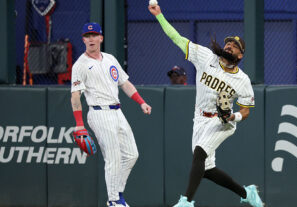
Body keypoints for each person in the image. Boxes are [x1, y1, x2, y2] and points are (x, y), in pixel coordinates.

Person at [148, 4, 263, 207]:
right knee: (207, 169)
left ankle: (186, 202)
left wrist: (232, 117)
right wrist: (159, 16)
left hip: (222, 122)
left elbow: (245, 111)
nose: (229, 46)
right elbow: (177, 38)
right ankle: (247, 193)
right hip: (200, 118)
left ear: (240, 55)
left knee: (200, 152)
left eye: (234, 46)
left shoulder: (243, 80)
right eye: (228, 44)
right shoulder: (205, 57)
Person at [70, 22, 152, 207]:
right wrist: (79, 124)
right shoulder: (80, 65)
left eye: (94, 35)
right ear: (83, 39)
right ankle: (115, 200)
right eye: (87, 36)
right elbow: (75, 95)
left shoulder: (110, 59)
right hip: (99, 113)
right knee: (113, 158)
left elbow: (125, 84)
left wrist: (141, 102)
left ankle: (116, 195)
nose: (91, 39)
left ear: (101, 38)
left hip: (117, 111)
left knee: (132, 155)